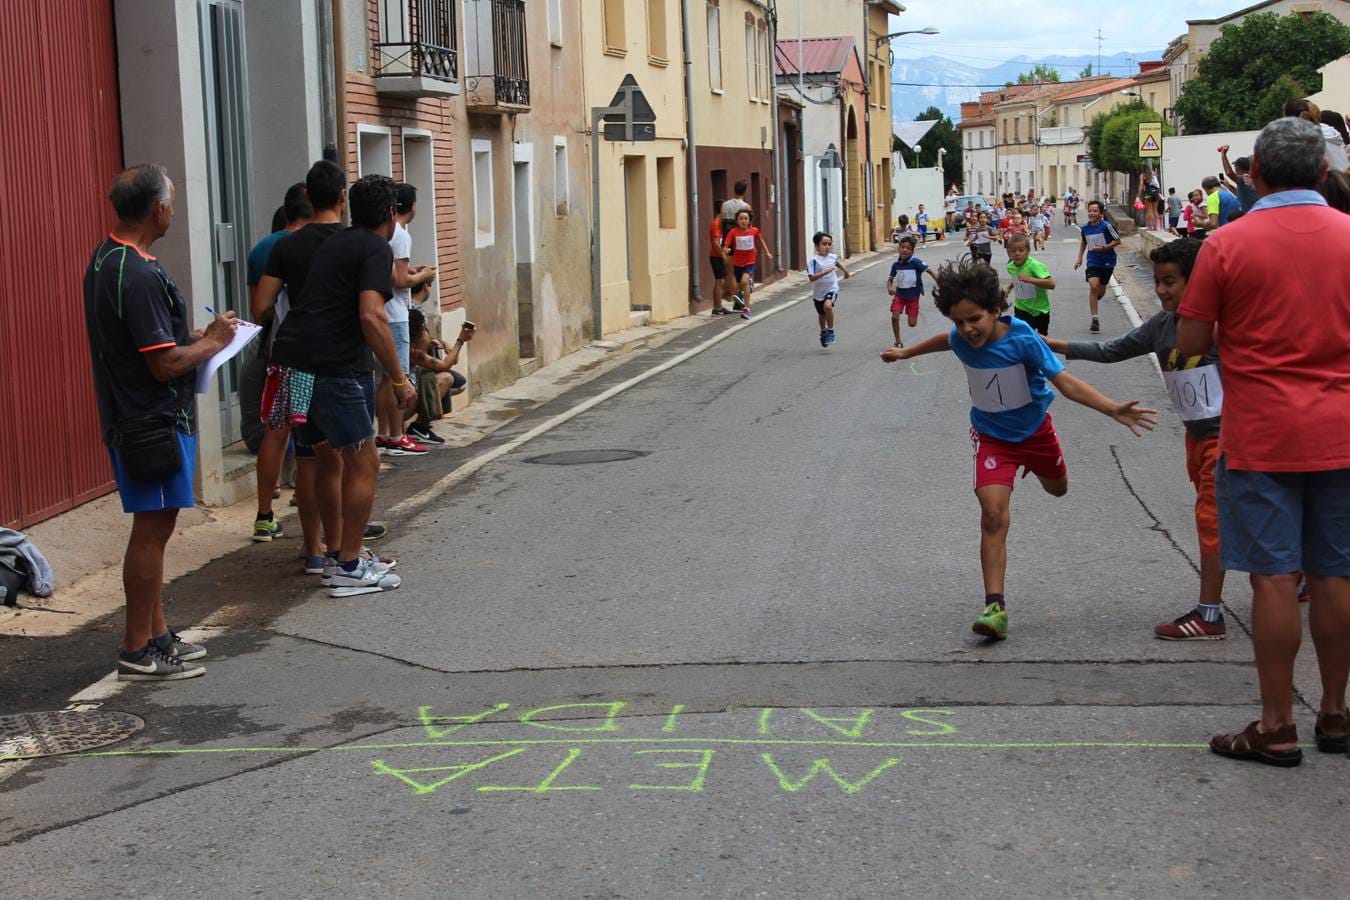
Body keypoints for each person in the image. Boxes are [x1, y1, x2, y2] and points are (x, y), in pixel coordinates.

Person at [1177, 117, 1350, 768]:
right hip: (1344, 427)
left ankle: (1277, 724)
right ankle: (1335, 713)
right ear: (1324, 173)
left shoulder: (1227, 244)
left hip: (1263, 430)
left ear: (1254, 173)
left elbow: (1191, 343)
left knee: (1275, 577)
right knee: (1337, 573)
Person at [879, 257, 1156, 640]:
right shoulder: (960, 337)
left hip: (1036, 432)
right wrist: (907, 352)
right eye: (959, 321)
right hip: (992, 437)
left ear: (995, 309)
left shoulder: (1023, 338)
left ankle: (1043, 467)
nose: (967, 329)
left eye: (974, 318)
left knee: (1058, 488)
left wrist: (1113, 409)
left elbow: (1066, 383)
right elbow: (946, 341)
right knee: (992, 515)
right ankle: (995, 607)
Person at [84, 164, 239, 681]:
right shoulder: (138, 273)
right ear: (157, 210)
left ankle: (156, 634)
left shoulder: (109, 259)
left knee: (160, 525)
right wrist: (214, 344)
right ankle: (136, 649)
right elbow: (163, 363)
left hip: (141, 415)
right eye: (171, 202)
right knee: (151, 530)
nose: (173, 210)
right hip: (149, 419)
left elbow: (155, 344)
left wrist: (196, 335)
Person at [1048, 237, 1229, 639]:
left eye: (1170, 282)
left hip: (1229, 442)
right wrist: (1047, 344)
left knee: (1211, 521)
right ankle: (1300, 574)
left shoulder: (1224, 326)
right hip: (1196, 440)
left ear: (1198, 282)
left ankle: (1210, 614)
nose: (1161, 289)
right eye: (1158, 281)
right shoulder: (1162, 326)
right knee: (1230, 517)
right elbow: (1111, 350)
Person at [269, 174, 412, 598]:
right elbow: (372, 315)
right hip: (333, 365)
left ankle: (337, 556)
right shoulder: (374, 247)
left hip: (293, 361)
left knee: (322, 458)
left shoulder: (335, 243)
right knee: (364, 461)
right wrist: (399, 377)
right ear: (390, 214)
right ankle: (349, 565)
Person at [254, 160, 355, 575]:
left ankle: (312, 548)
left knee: (308, 456)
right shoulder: (353, 243)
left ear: (308, 198)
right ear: (343, 197)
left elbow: (261, 306)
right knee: (340, 461)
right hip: (339, 359)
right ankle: (340, 549)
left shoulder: (285, 246)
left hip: (294, 361)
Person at [247, 183, 312, 544]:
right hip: (315, 352)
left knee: (276, 430)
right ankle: (317, 521)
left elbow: (259, 309)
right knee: (316, 434)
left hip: (276, 350)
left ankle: (263, 515)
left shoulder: (262, 249)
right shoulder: (318, 244)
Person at [376, 183, 436, 457]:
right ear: (411, 206)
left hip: (381, 310)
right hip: (396, 315)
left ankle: (385, 434)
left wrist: (410, 269)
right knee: (396, 377)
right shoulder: (401, 235)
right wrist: (423, 276)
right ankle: (397, 435)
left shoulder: (383, 233)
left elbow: (392, 271)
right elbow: (400, 280)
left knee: (384, 380)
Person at [407, 307, 473, 443]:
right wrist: (460, 341)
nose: (427, 332)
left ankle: (421, 426)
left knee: (448, 377)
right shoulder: (412, 353)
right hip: (405, 403)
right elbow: (444, 365)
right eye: (424, 328)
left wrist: (442, 343)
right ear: (418, 332)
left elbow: (452, 360)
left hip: (408, 395)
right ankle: (420, 426)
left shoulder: (416, 348)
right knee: (445, 378)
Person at [1073, 200, 1120, 333]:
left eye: (1095, 211)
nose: (1092, 213)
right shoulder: (1085, 228)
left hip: (1107, 262)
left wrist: (1105, 247)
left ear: (1101, 213)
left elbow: (1118, 240)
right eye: (1090, 211)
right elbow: (1084, 242)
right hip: (1093, 261)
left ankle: (1095, 297)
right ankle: (1095, 319)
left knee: (1101, 290)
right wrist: (1079, 258)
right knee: (1093, 287)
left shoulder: (1107, 226)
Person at [885, 235, 937, 347]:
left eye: (908, 248)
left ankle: (914, 311)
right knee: (894, 317)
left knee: (912, 324)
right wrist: (889, 288)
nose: (904, 250)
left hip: (913, 297)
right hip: (899, 296)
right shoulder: (896, 265)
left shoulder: (916, 262)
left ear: (912, 251)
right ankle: (898, 341)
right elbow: (890, 280)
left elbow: (930, 271)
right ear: (898, 248)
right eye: (902, 247)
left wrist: (941, 282)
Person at [722, 208, 771, 320]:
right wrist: (726, 250)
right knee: (741, 285)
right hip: (737, 263)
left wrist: (767, 252)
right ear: (737, 221)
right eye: (741, 219)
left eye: (745, 219)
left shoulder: (754, 231)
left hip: (750, 262)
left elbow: (761, 241)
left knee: (743, 282)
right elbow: (726, 246)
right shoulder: (733, 232)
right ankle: (748, 284)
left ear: (749, 221)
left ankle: (746, 309)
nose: (743, 221)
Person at [1003, 233, 1054, 336]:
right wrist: (1009, 287)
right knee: (1023, 336)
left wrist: (1030, 279)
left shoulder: (1035, 266)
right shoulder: (1010, 267)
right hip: (1022, 308)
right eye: (1013, 251)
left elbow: (1051, 284)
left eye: (1021, 250)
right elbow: (1018, 279)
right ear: (1009, 253)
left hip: (1040, 309)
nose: (1017, 253)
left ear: (1028, 251)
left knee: (1042, 337)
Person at [806, 231, 850, 348]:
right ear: (817, 246)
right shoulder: (814, 261)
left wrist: (845, 271)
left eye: (829, 244)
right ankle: (823, 331)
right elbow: (811, 278)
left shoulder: (832, 257)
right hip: (818, 292)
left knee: (828, 307)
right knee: (821, 314)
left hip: (832, 288)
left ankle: (830, 331)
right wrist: (823, 272)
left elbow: (837, 263)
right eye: (824, 244)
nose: (827, 247)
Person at [720, 182, 751, 307]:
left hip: (728, 238)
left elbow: (722, 221)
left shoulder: (725, 205)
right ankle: (738, 298)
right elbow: (749, 225)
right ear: (745, 191)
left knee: (731, 270)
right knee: (741, 269)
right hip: (741, 241)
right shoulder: (746, 206)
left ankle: (733, 296)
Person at [707, 203, 734, 316]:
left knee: (721, 281)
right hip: (716, 256)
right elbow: (715, 243)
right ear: (722, 209)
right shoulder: (716, 224)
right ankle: (716, 308)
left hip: (718, 256)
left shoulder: (721, 223)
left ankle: (719, 306)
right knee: (720, 281)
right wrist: (723, 255)